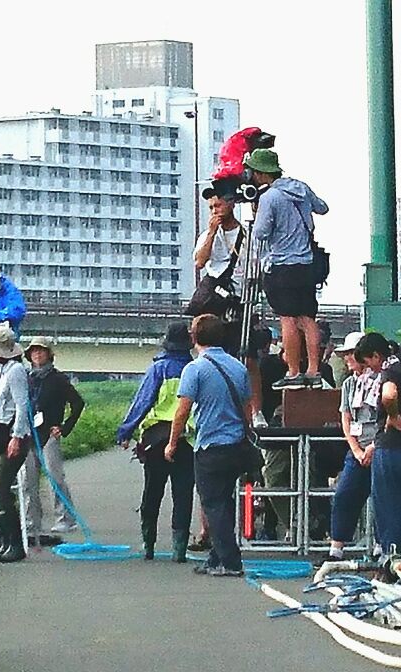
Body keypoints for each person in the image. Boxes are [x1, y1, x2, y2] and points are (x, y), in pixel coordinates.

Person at [165, 314, 252, 577]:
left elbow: (182, 410)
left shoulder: (195, 369)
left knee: (213, 504)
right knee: (225, 502)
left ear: (194, 337)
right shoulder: (238, 367)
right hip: (236, 443)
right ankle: (216, 557)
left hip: (210, 444)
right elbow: (248, 407)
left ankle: (230, 562)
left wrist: (171, 443)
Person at [245, 148, 328, 391]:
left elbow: (260, 233)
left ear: (260, 173)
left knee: (288, 320)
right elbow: (322, 207)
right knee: (308, 318)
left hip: (281, 266)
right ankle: (313, 370)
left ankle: (293, 371)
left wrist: (257, 209)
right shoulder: (300, 188)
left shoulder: (270, 197)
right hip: (306, 264)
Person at [116, 323, 195, 562]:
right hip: (187, 439)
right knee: (183, 494)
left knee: (153, 491)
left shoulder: (158, 368)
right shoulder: (195, 369)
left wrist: (125, 431)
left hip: (156, 439)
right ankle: (179, 550)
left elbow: (143, 402)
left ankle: (148, 545)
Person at [194, 190, 268, 428]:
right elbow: (200, 262)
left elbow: (258, 265)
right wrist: (212, 232)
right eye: (211, 207)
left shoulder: (247, 235)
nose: (215, 210)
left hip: (239, 296)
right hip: (215, 295)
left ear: (231, 204)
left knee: (248, 355)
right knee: (209, 351)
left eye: (218, 205)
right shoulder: (208, 235)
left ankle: (256, 411)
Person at [353, 332, 401, 565]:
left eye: (368, 362)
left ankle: (393, 557)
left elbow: (389, 395)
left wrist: (393, 416)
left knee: (386, 504)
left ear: (376, 355)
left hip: (392, 447)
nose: (369, 369)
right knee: (399, 503)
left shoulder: (389, 372)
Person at [22, 336, 85, 535]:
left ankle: (65, 519)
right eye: (34, 351)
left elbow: (78, 403)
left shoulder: (58, 379)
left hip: (49, 435)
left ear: (49, 354)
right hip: (28, 435)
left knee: (55, 478)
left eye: (41, 351)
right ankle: (32, 521)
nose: (37, 354)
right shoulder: (26, 378)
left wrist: (64, 427)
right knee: (27, 482)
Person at [0, 324, 32, 563]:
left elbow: (23, 407)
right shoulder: (0, 370)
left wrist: (17, 436)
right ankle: (4, 544)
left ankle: (14, 545)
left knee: (1, 488)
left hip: (13, 436)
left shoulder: (16, 371)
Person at [327, 331, 377, 562]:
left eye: (350, 354)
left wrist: (373, 447)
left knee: (380, 497)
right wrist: (356, 449)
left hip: (379, 447)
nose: (347, 358)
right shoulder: (349, 384)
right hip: (356, 448)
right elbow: (346, 418)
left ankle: (381, 546)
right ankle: (337, 548)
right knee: (344, 494)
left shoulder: (381, 379)